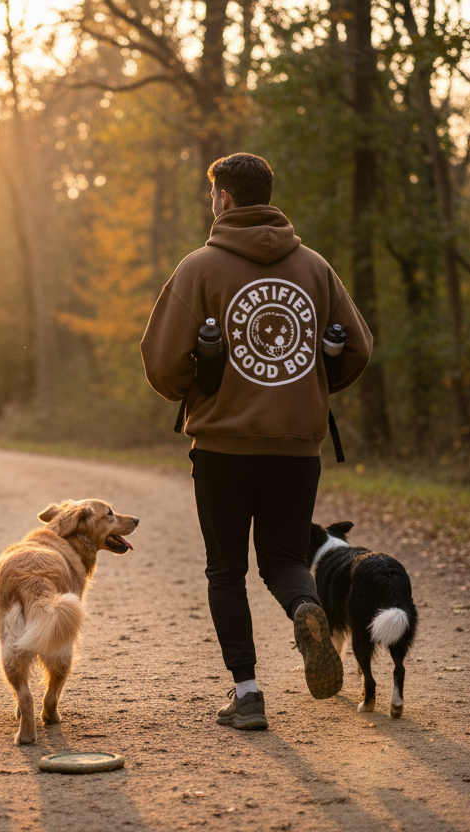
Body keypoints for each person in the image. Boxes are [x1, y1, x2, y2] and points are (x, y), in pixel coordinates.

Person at [140, 152, 372, 730]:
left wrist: (196, 386)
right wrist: (318, 386)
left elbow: (162, 365)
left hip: (222, 450)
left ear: (222, 197)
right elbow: (359, 348)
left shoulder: (199, 268)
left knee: (226, 570)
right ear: (268, 195)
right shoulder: (315, 268)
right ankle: (308, 609)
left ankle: (247, 694)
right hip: (297, 447)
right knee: (284, 561)